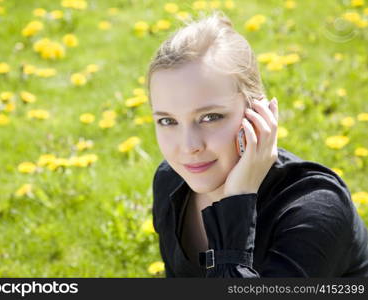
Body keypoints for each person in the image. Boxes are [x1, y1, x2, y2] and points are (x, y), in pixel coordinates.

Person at [147, 11, 368, 277]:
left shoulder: (316, 209)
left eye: (209, 117)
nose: (188, 146)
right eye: (168, 121)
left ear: (258, 113)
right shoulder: (170, 182)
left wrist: (237, 201)